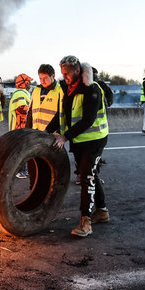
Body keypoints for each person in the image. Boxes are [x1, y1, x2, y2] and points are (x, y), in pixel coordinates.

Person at [53, 56, 109, 237]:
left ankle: (86, 222)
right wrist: (45, 132)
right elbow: (61, 114)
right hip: (79, 141)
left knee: (87, 177)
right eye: (62, 73)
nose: (64, 77)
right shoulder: (66, 88)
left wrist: (65, 137)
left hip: (94, 140)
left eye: (67, 73)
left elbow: (88, 119)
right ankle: (102, 212)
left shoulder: (92, 89)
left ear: (77, 71)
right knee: (91, 174)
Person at [9, 73, 33, 179]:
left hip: (22, 127)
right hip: (20, 127)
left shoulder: (23, 93)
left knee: (24, 149)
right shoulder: (19, 93)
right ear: (23, 83)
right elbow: (22, 109)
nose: (30, 84)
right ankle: (20, 171)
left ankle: (23, 170)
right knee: (21, 150)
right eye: (28, 82)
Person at [27, 64, 62, 134]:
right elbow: (30, 112)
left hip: (52, 134)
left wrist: (58, 133)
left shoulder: (60, 90)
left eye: (45, 78)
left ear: (53, 76)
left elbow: (62, 115)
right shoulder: (36, 90)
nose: (42, 81)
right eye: (40, 78)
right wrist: (27, 130)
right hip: (35, 132)